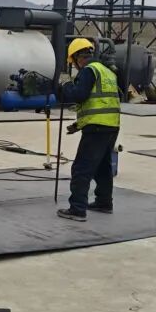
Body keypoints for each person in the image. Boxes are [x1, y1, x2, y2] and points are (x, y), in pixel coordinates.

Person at [55, 38, 121, 222]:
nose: (75, 67)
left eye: (74, 63)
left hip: (97, 128)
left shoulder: (89, 70)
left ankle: (77, 209)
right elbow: (101, 102)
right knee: (102, 167)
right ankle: (104, 202)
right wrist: (78, 125)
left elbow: (79, 95)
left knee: (81, 168)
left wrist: (66, 85)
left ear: (78, 58)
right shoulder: (106, 71)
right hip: (111, 125)